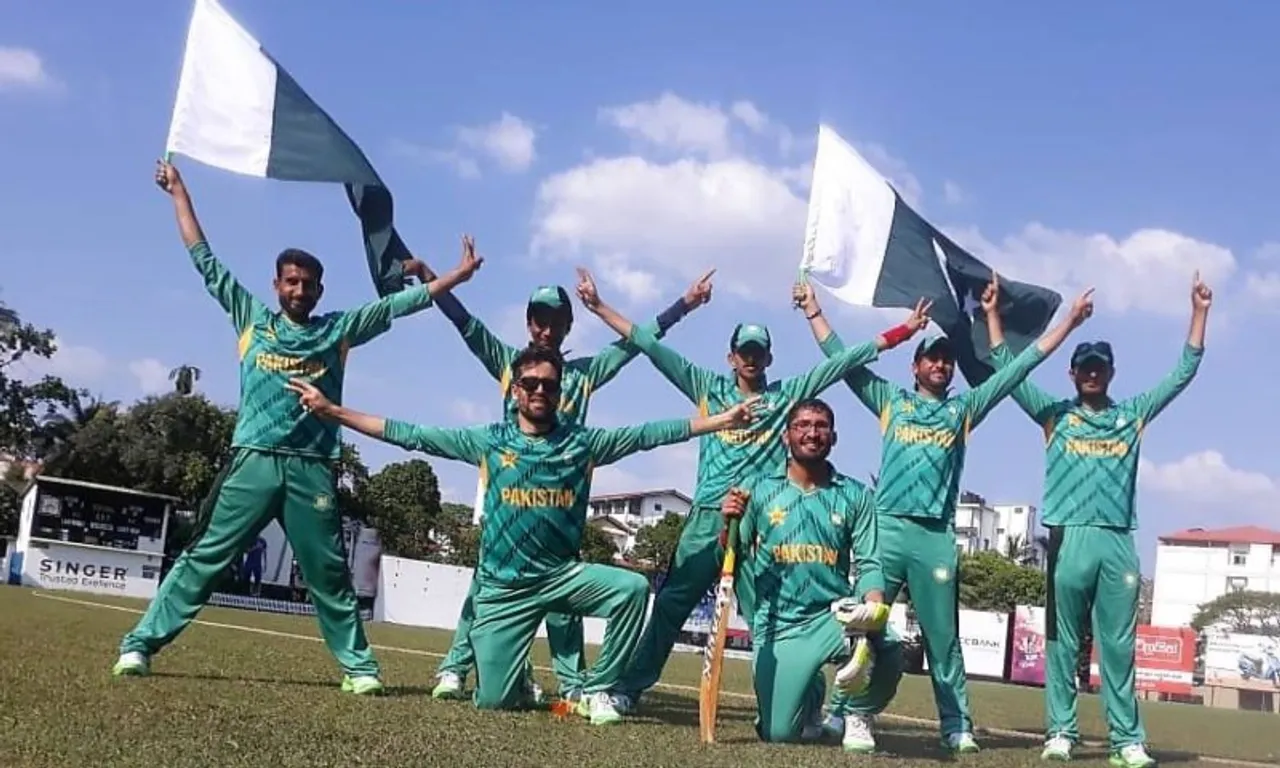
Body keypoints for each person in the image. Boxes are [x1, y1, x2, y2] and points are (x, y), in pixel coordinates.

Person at [111, 160, 482, 695]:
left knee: (329, 575)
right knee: (204, 559)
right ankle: (139, 646)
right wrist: (178, 193)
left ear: (320, 290)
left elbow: (404, 304)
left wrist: (454, 278)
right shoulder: (251, 320)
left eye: (308, 284)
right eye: (291, 282)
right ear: (277, 284)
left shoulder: (339, 331)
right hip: (253, 462)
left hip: (312, 471)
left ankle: (359, 670)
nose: (299, 290)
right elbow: (204, 259)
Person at [287, 345, 763, 724]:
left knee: (633, 589)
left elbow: (651, 433)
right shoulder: (490, 439)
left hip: (560, 577)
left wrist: (720, 421)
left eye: (548, 385)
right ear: (516, 390)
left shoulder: (581, 442)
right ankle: (517, 681)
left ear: (559, 393)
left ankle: (598, 689)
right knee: (493, 702)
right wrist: (333, 411)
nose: (539, 390)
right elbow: (410, 433)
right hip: (502, 589)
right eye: (530, 383)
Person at [574, 267, 930, 712]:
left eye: (758, 353)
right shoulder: (706, 386)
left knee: (767, 618)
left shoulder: (786, 396)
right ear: (731, 357)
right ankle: (628, 688)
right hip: (709, 518)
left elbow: (845, 361)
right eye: (744, 352)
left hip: (760, 522)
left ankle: (804, 696)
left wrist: (904, 331)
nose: (751, 360)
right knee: (670, 607)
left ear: (768, 359)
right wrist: (601, 307)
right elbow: (649, 345)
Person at [794, 276, 1095, 752]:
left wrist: (1069, 322)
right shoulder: (891, 401)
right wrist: (813, 309)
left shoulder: (964, 410)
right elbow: (842, 362)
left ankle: (955, 724)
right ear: (915, 366)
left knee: (943, 640)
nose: (940, 364)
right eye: (932, 357)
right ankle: (845, 713)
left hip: (934, 537)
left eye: (946, 360)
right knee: (864, 630)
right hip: (886, 529)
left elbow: (1020, 368)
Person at [409, 241, 715, 703]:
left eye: (556, 321)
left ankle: (572, 681)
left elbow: (637, 343)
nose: (547, 328)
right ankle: (456, 665)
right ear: (529, 323)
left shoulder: (584, 374)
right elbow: (465, 325)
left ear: (569, 325)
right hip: (511, 493)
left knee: (564, 594)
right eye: (539, 319)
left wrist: (684, 305)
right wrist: (433, 274)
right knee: (488, 580)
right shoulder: (509, 363)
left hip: (563, 497)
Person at [988, 271, 1211, 767]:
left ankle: (1126, 740)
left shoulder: (1131, 415)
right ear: (1072, 374)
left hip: (1115, 540)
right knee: (1062, 644)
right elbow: (1006, 370)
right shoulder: (1053, 414)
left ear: (1110, 373)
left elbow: (1182, 373)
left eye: (1099, 368)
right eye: (1085, 367)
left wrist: (1199, 313)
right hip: (1068, 537)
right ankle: (1060, 733)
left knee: (1117, 646)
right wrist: (992, 318)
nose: (1092, 374)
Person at [721, 398, 903, 753]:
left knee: (891, 644)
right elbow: (733, 552)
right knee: (778, 734)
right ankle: (812, 692)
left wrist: (875, 607)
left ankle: (856, 713)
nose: (812, 432)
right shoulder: (757, 488)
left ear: (833, 437)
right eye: (802, 425)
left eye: (821, 426)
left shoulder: (855, 495)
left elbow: (869, 562)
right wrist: (726, 520)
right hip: (779, 625)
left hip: (832, 616)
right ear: (787, 436)